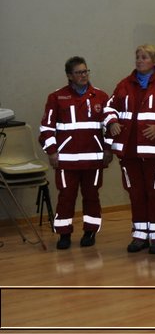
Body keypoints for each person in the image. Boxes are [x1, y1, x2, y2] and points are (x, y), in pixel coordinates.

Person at [105, 45, 155, 254]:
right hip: (129, 151)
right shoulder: (124, 84)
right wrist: (112, 122)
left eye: (144, 57)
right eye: (137, 57)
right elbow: (110, 107)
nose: (139, 60)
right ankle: (140, 235)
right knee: (135, 193)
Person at [41, 56, 111, 250]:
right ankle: (64, 234)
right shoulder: (56, 97)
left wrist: (108, 149)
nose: (83, 75)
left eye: (86, 71)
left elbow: (110, 126)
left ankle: (90, 231)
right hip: (66, 160)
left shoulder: (101, 96)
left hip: (93, 159)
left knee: (91, 196)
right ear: (69, 76)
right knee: (66, 197)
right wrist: (52, 152)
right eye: (79, 72)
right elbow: (46, 128)